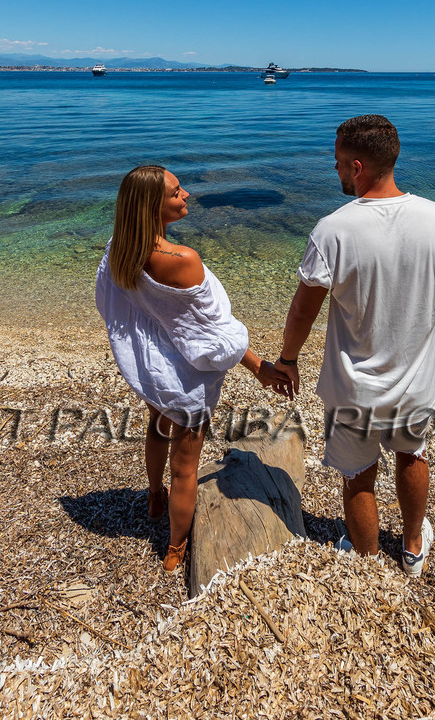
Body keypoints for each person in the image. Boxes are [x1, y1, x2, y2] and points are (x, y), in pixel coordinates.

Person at [274, 115, 435, 577]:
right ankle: (414, 546)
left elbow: (304, 311)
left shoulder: (334, 231)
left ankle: (365, 564)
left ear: (357, 166)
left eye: (339, 163)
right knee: (412, 455)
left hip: (355, 388)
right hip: (417, 383)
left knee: (359, 475)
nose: (336, 171)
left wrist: (287, 359)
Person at [95, 165, 294, 573]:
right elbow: (214, 333)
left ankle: (154, 496)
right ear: (152, 205)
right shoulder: (182, 260)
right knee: (185, 468)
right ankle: (175, 547)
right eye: (176, 191)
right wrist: (260, 368)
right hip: (184, 377)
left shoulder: (119, 249)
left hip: (153, 367)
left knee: (156, 428)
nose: (186, 194)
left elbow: (120, 307)